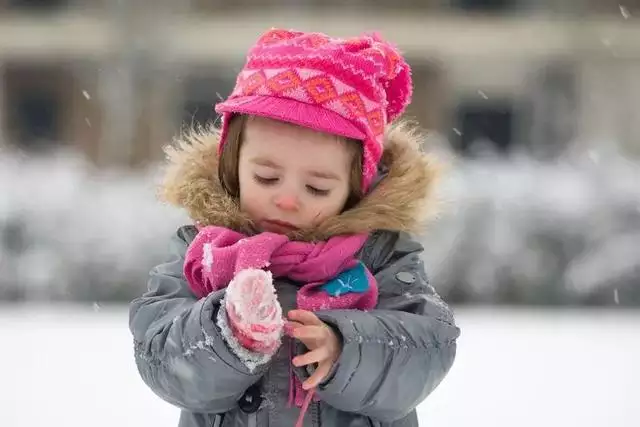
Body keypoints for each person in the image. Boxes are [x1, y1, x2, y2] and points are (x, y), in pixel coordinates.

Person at [129, 28, 459, 427]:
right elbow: (160, 354)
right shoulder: (203, 252)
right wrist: (227, 335)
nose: (287, 200)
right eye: (267, 178)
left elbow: (428, 346)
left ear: (354, 188)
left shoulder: (378, 255)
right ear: (233, 166)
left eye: (317, 187)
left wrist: (347, 347)